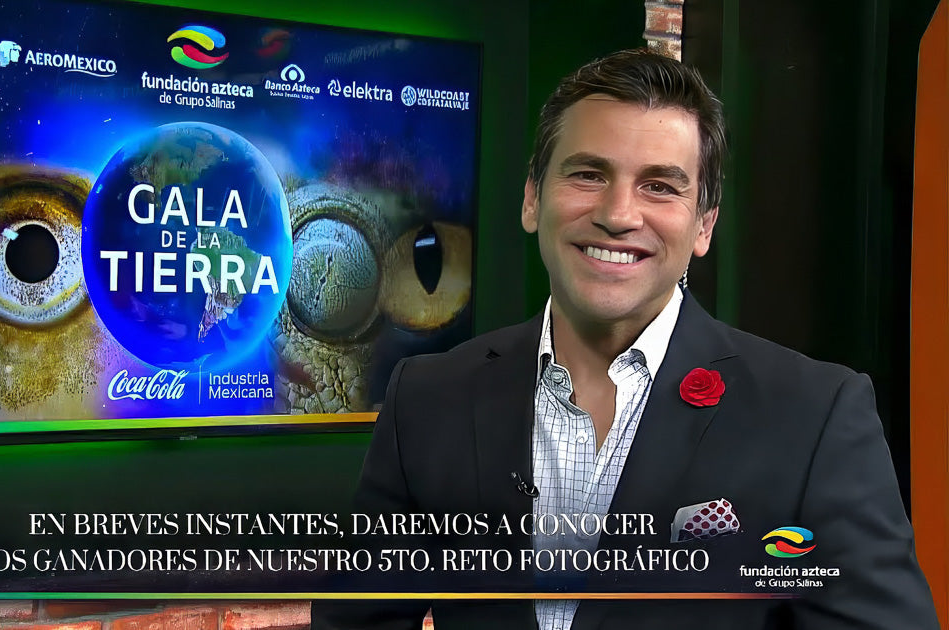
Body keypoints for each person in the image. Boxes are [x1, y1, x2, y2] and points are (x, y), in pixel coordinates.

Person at [310, 49, 939, 629]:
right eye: (587, 174)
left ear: (704, 226)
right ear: (532, 199)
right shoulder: (428, 398)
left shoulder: (814, 417)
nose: (618, 214)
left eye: (660, 186)